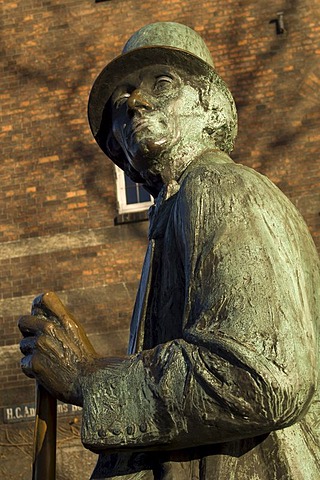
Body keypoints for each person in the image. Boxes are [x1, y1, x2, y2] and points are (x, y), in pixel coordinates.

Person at [19, 22, 320, 479]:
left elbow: (262, 376)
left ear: (209, 106)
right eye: (121, 102)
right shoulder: (172, 214)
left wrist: (90, 379)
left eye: (162, 84)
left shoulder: (220, 188)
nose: (134, 104)